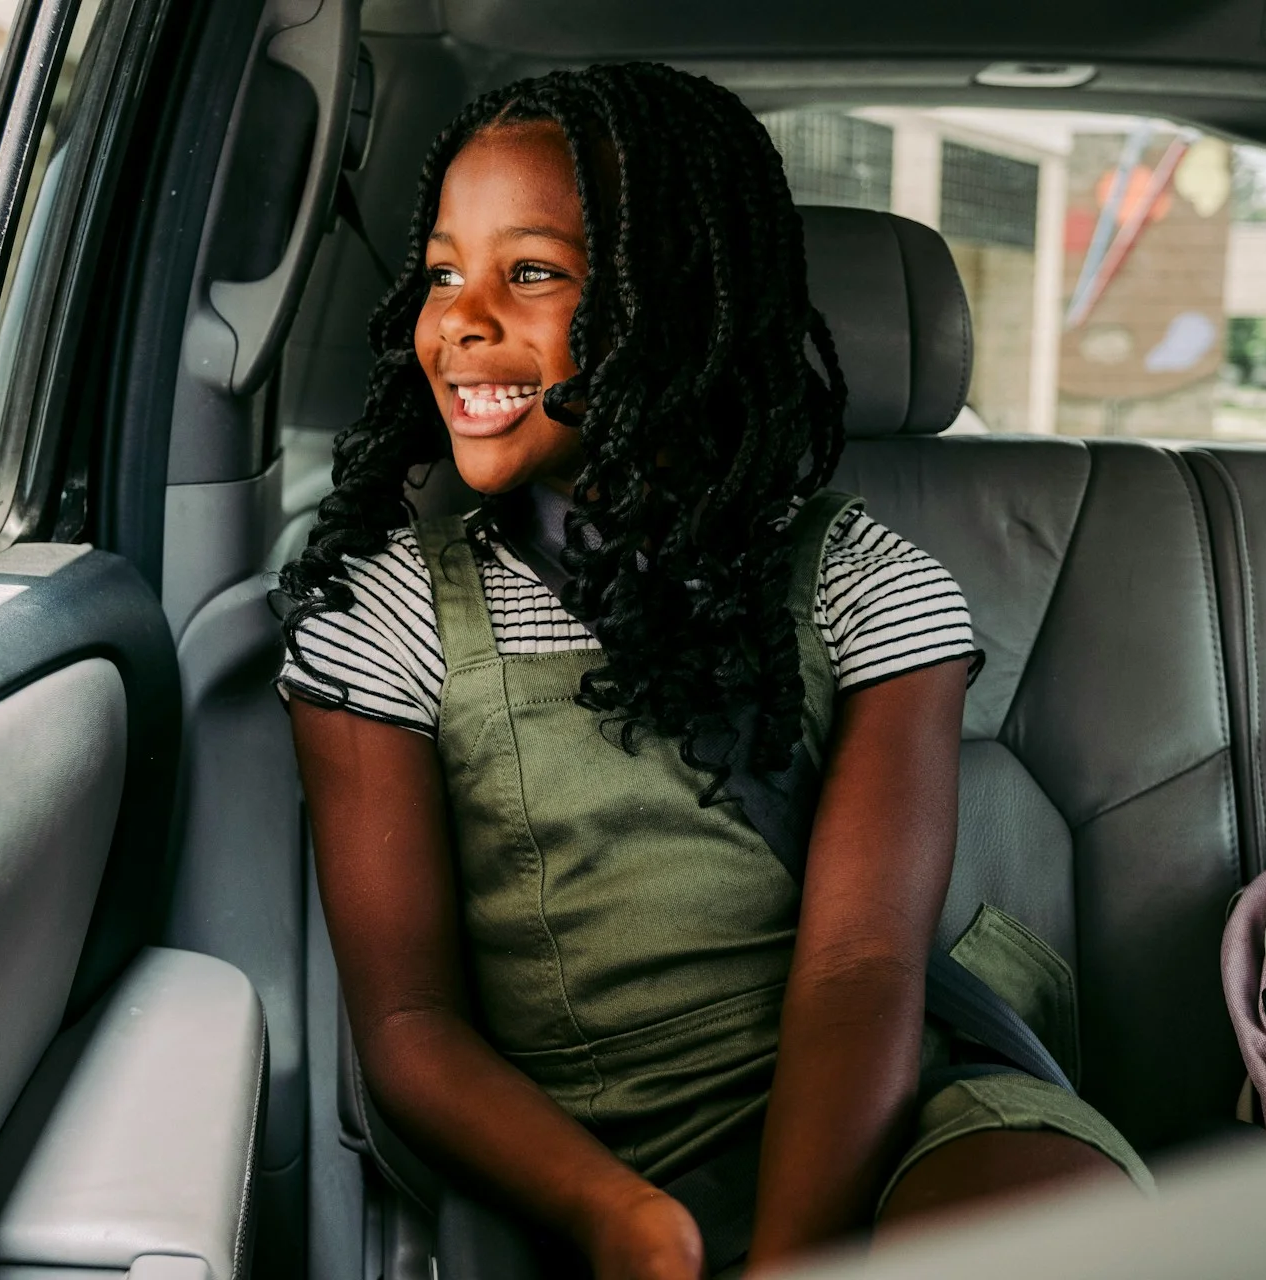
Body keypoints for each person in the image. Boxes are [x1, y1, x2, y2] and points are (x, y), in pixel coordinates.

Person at [276, 62, 1147, 1280]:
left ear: (668, 299)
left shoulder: (868, 586)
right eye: (439, 272)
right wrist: (617, 1214)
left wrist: (789, 1255)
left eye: (530, 271)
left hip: (896, 1105)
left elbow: (861, 966)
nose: (460, 319)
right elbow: (409, 1025)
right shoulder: (385, 622)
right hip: (602, 1158)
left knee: (1049, 1214)